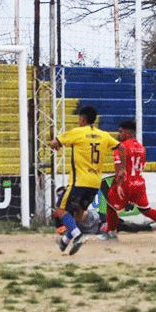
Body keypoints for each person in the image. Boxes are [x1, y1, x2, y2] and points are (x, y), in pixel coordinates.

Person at [50, 105, 119, 255]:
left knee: (60, 210)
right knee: (79, 215)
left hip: (79, 181)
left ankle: (77, 235)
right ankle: (64, 242)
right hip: (95, 183)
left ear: (82, 119)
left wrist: (53, 144)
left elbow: (56, 142)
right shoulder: (104, 135)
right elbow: (120, 147)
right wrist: (122, 169)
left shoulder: (78, 132)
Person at [102, 120, 156, 243]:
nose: (119, 134)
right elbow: (141, 165)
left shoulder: (121, 146)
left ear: (128, 132)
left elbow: (118, 165)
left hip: (125, 182)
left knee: (111, 205)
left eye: (121, 131)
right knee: (146, 209)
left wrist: (118, 184)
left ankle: (111, 233)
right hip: (139, 182)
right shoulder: (142, 148)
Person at [54, 186, 156, 236]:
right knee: (121, 226)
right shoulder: (59, 214)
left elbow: (84, 217)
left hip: (97, 220)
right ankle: (150, 226)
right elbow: (60, 229)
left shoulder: (75, 204)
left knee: (122, 225)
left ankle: (150, 226)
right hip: (93, 228)